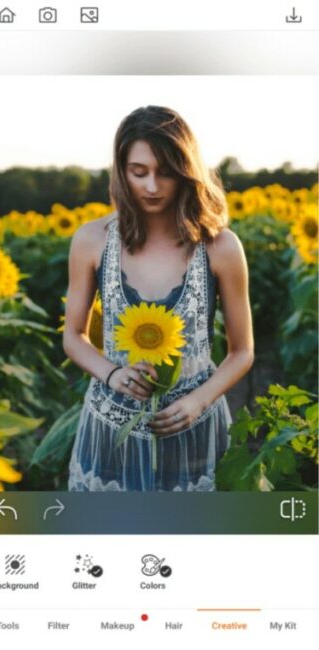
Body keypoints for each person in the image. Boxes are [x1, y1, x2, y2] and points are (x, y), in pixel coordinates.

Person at [63, 105, 254, 491]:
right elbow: (73, 337)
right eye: (139, 172)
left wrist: (199, 401)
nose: (152, 186)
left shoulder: (220, 247)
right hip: (110, 430)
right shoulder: (91, 240)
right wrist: (112, 373)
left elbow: (243, 351)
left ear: (186, 172)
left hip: (194, 431)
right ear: (121, 171)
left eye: (165, 172)